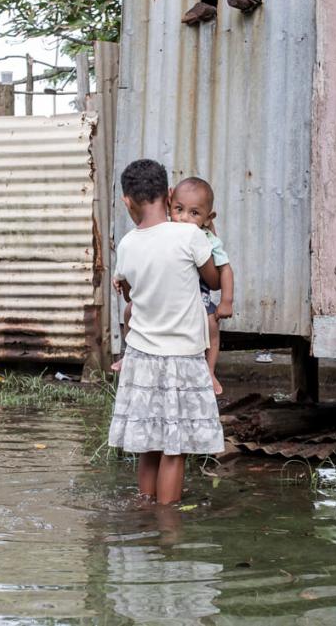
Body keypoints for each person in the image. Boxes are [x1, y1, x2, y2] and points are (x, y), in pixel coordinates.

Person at [109, 159, 224, 505]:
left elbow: (131, 294)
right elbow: (214, 282)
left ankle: (145, 512)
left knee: (148, 443)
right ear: (169, 193)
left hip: (141, 358)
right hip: (182, 358)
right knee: (175, 449)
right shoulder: (190, 235)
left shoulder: (127, 245)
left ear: (127, 202)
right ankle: (169, 527)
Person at [169, 177, 235, 395]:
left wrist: (226, 301)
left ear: (208, 218)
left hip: (201, 301)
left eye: (194, 213)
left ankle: (209, 370)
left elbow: (225, 268)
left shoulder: (208, 239)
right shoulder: (166, 231)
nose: (184, 218)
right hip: (172, 302)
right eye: (179, 209)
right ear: (169, 206)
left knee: (212, 326)